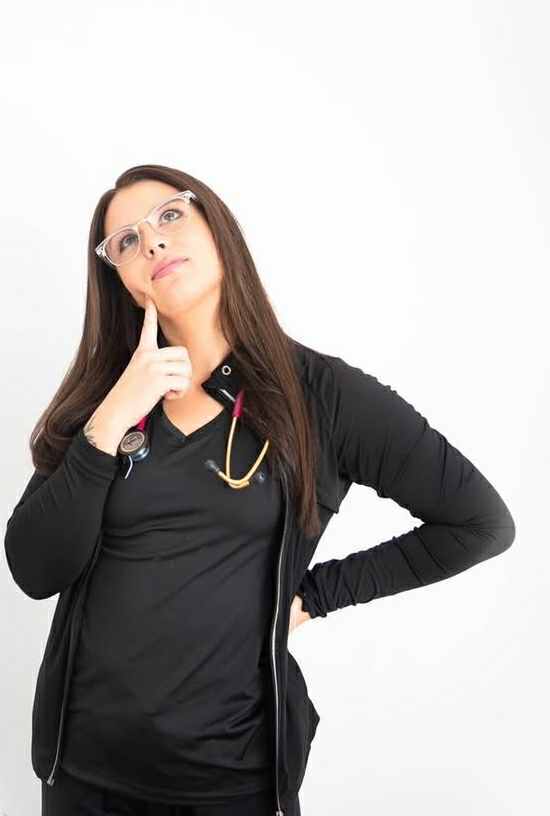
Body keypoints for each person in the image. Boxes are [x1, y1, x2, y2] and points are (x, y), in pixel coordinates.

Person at [4, 164, 516, 815]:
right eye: (125, 241)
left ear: (217, 228)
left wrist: (315, 595)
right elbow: (33, 567)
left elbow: (479, 523)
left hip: (231, 785)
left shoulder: (322, 398)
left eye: (169, 216)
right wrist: (107, 422)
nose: (152, 242)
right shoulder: (102, 402)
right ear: (122, 281)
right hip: (82, 781)